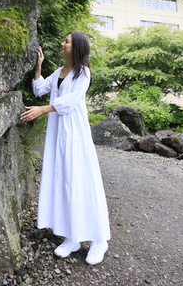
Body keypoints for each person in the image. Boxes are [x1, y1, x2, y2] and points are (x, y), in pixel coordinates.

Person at [20, 31, 110, 265]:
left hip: (76, 133)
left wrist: (41, 109)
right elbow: (39, 89)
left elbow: (68, 102)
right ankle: (73, 237)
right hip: (58, 135)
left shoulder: (83, 73)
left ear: (77, 47)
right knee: (63, 180)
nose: (62, 43)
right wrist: (38, 66)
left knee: (83, 180)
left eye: (67, 41)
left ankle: (99, 239)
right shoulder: (59, 71)